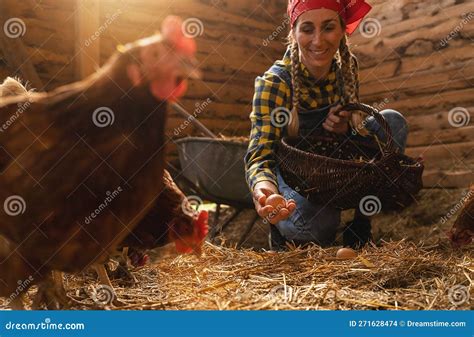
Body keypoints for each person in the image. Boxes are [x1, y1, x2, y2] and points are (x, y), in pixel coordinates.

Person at [244, 0, 409, 250]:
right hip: (295, 172)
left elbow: (354, 133)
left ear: (342, 30)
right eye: (308, 29)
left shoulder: (347, 66)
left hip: (333, 165)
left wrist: (345, 129)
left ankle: (361, 222)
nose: (318, 41)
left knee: (393, 122)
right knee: (318, 227)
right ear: (294, 33)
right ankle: (285, 229)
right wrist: (264, 191)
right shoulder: (276, 82)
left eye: (329, 27)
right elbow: (260, 153)